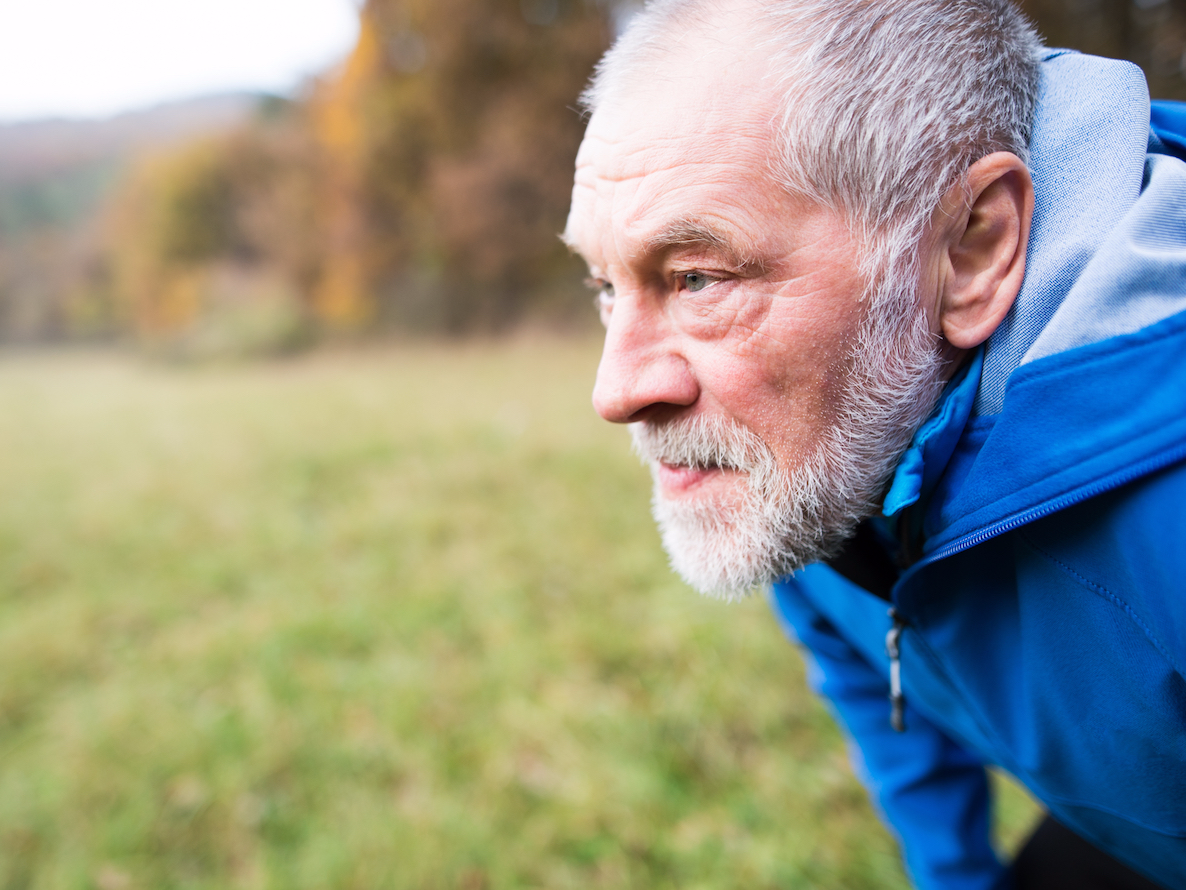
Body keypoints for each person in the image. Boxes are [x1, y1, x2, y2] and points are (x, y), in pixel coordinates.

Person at [563, 1, 1186, 888]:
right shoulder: (816, 459)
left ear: (972, 247)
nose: (615, 390)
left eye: (698, 277)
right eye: (605, 285)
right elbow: (873, 682)